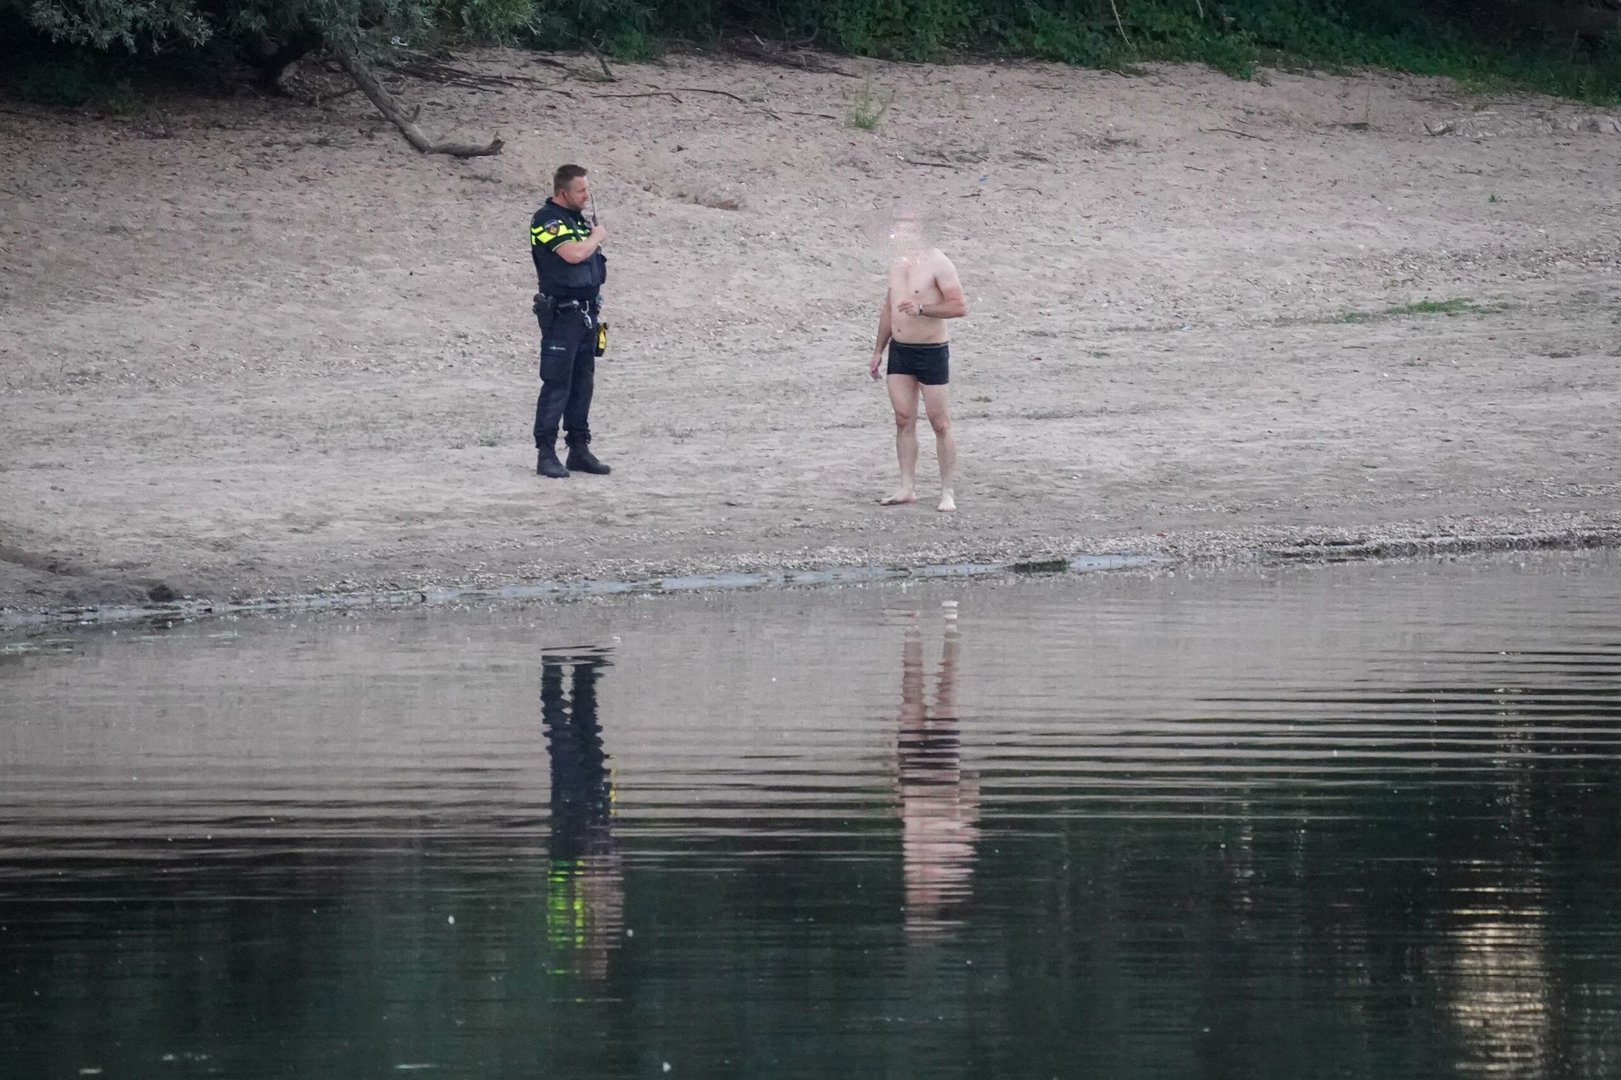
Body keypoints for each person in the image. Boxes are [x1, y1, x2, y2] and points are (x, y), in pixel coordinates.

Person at [868, 213, 968, 512]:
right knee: (902, 419)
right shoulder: (896, 264)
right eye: (898, 231)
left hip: (931, 352)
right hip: (900, 351)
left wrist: (922, 308)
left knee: (940, 422)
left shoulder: (939, 263)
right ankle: (906, 487)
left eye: (908, 231)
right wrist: (877, 350)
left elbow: (959, 307)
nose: (901, 236)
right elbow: (888, 308)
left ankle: (947, 491)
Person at [530, 164, 610, 479]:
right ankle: (546, 454)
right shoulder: (546, 220)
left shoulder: (578, 221)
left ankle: (578, 448)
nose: (586, 196)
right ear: (563, 192)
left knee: (582, 384)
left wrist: (591, 236)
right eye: (581, 190)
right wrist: (597, 237)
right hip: (562, 314)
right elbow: (573, 255)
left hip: (587, 313)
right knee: (556, 384)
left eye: (587, 189)